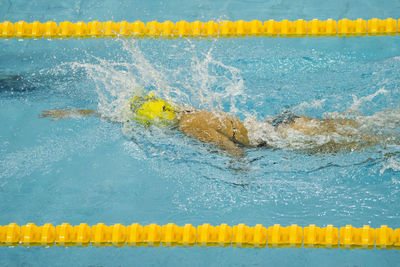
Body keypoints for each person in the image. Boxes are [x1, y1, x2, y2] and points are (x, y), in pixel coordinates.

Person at [40, 91, 390, 157]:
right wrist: (78, 113)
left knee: (369, 142)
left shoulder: (190, 127)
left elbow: (230, 148)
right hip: (280, 125)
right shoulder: (183, 111)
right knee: (361, 124)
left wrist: (242, 177)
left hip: (283, 138)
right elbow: (119, 114)